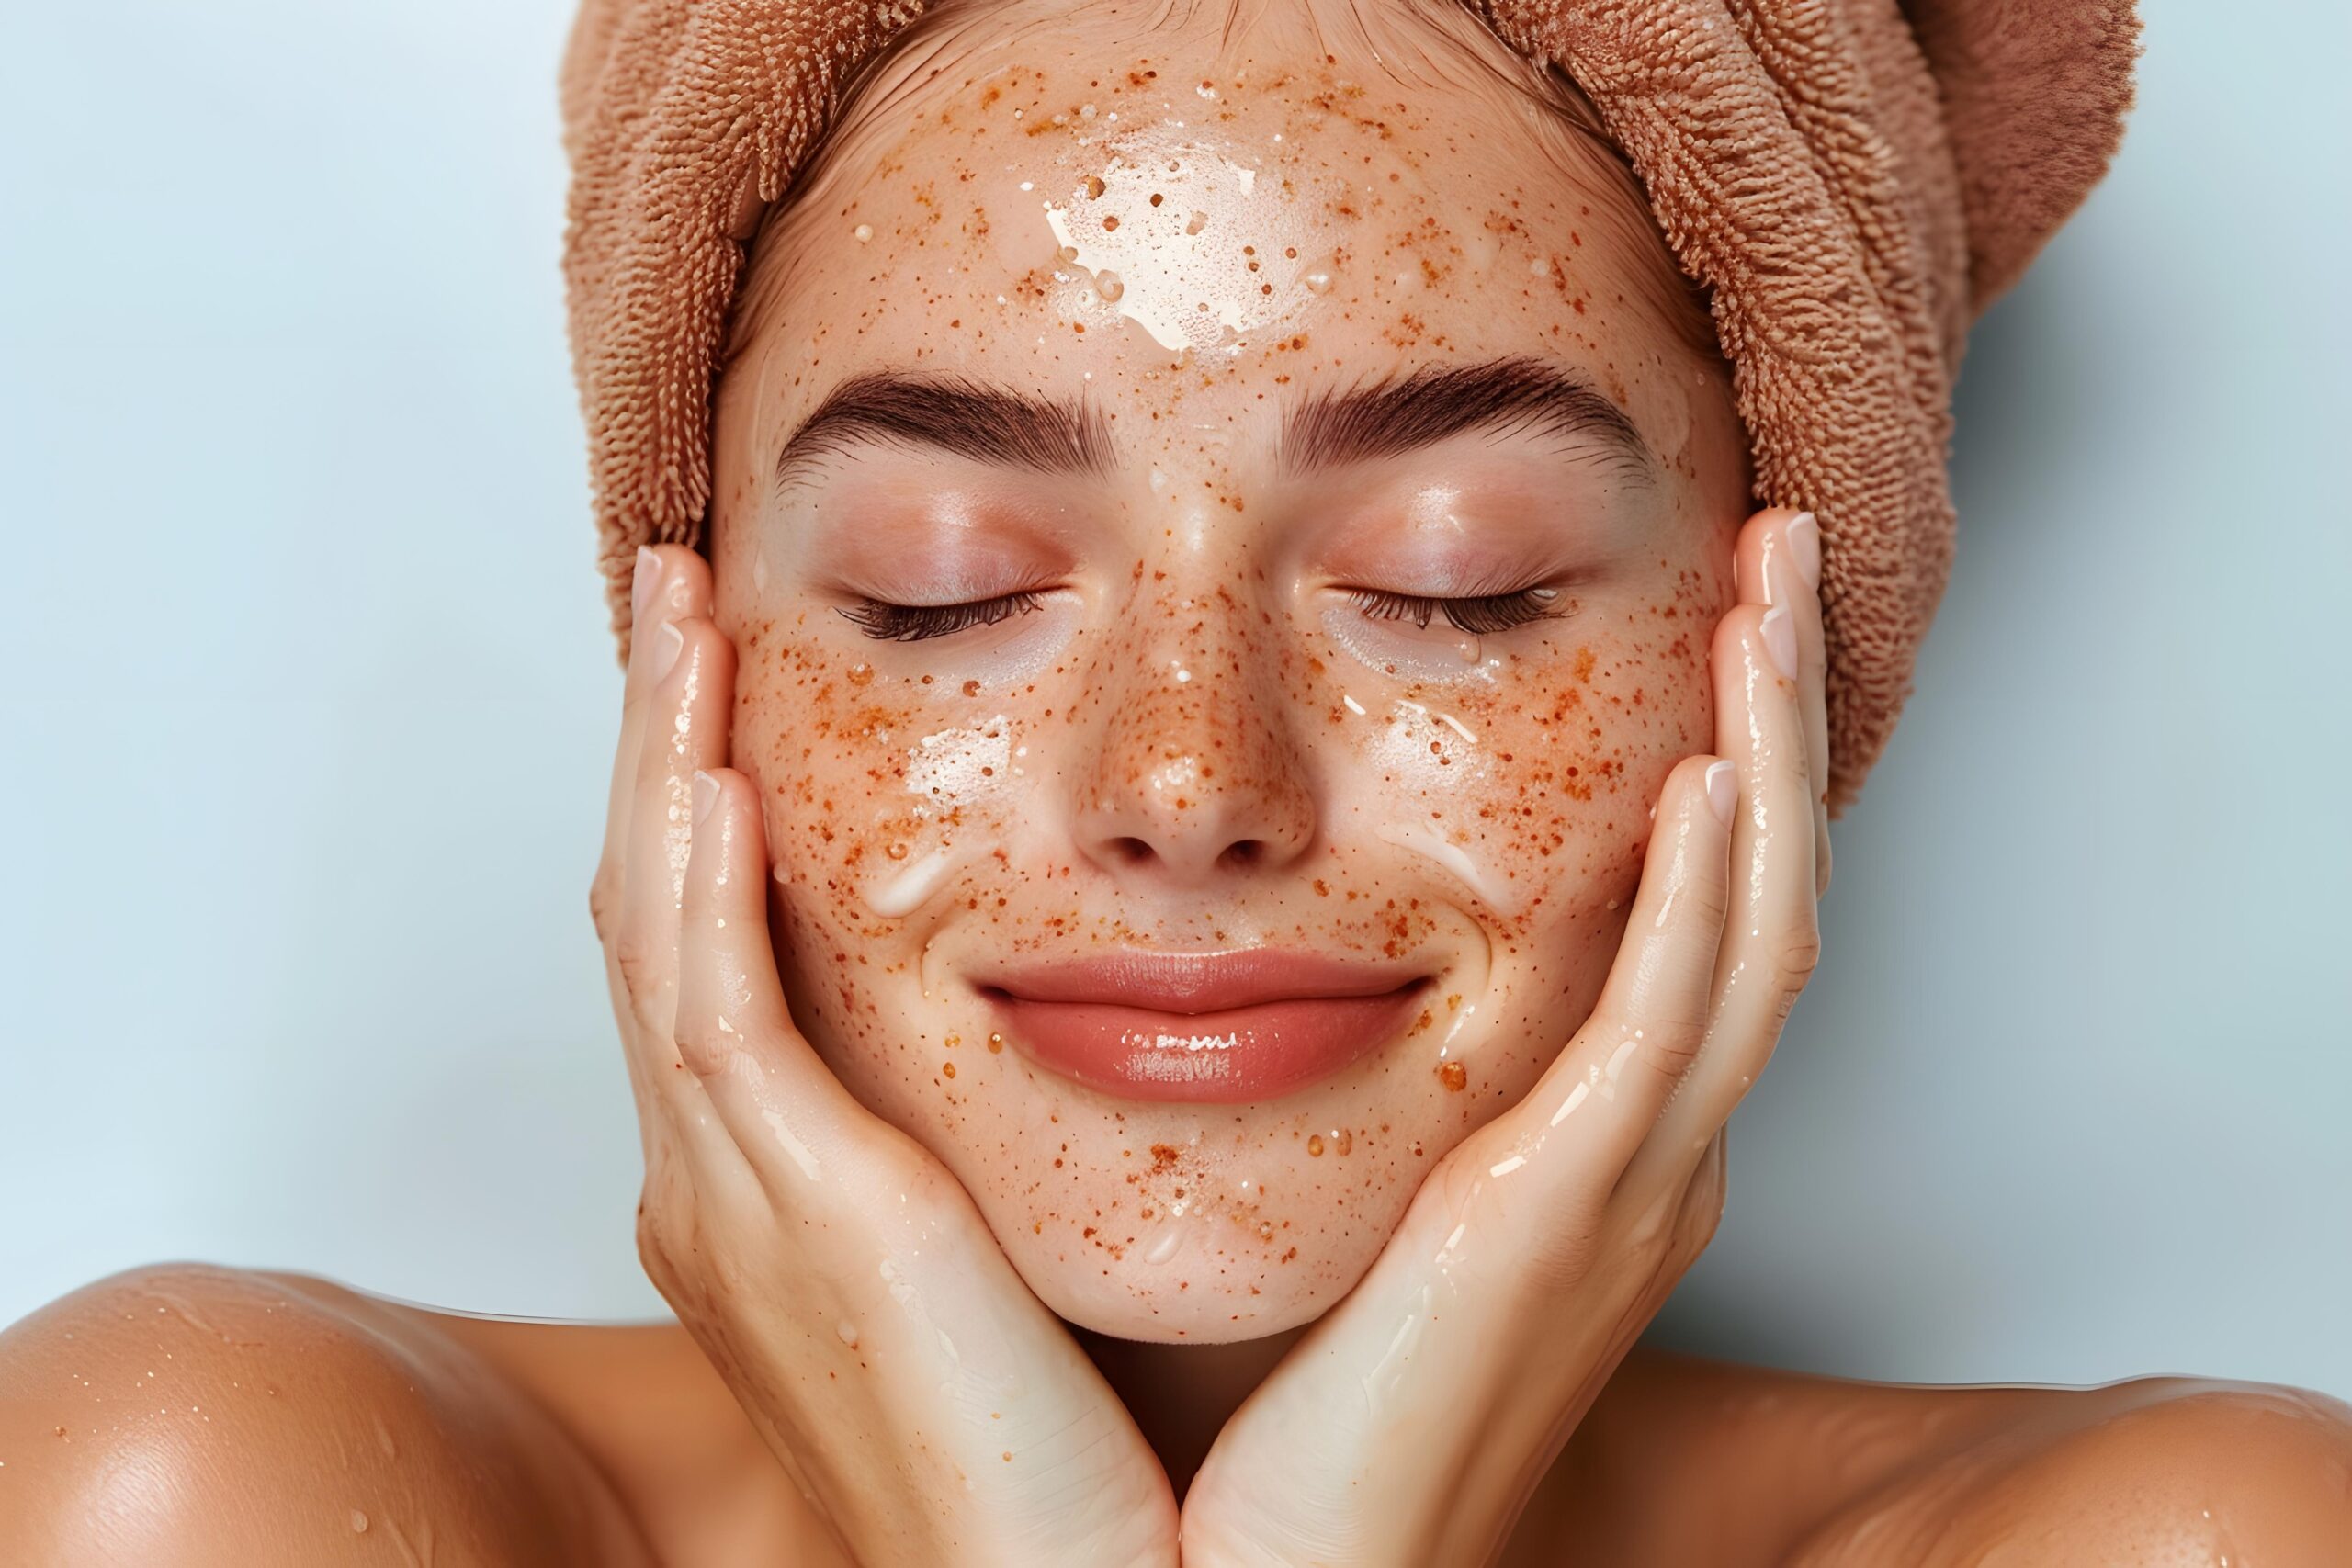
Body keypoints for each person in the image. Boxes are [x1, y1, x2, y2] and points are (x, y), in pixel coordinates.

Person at [5, 0, 2347, 1562]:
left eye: (1460, 576)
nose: (1187, 776)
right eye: (937, 586)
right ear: (681, 649)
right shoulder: (217, 1490)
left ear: (1789, 659)